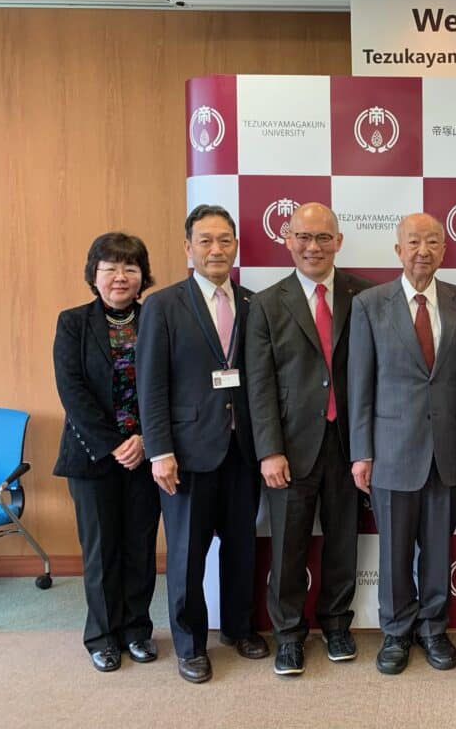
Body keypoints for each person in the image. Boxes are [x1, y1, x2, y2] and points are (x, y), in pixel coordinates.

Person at [138, 204, 269, 684]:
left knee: (241, 547)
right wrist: (160, 451)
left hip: (243, 448)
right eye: (206, 240)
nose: (217, 249)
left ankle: (239, 628)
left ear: (236, 246)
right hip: (187, 451)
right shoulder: (163, 305)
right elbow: (150, 386)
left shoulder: (254, 302)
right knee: (187, 553)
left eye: (225, 240)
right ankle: (191, 643)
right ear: (188, 247)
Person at [348, 213, 456, 676]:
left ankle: (433, 629)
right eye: (414, 242)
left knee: (439, 547)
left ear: (444, 250)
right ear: (398, 249)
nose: (424, 250)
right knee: (395, 551)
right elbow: (359, 383)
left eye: (433, 242)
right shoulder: (369, 304)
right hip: (390, 449)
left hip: (448, 447)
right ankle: (396, 632)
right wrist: (360, 451)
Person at [245, 202, 372, 677]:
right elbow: (257, 385)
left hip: (347, 446)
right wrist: (269, 450)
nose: (313, 246)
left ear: (338, 241)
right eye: (303, 237)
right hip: (290, 449)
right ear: (287, 238)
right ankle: (289, 636)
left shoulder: (365, 296)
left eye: (322, 237)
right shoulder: (265, 302)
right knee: (288, 547)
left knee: (343, 543)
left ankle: (337, 624)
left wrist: (368, 447)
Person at [52, 233, 160, 672]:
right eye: (110, 268)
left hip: (147, 453)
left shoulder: (158, 317)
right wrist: (115, 444)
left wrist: (146, 441)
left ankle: (136, 629)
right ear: (94, 274)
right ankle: (101, 635)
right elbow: (72, 391)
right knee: (100, 550)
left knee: (140, 546)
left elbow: (169, 385)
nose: (120, 277)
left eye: (130, 268)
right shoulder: (73, 322)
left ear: (142, 277)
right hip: (91, 457)